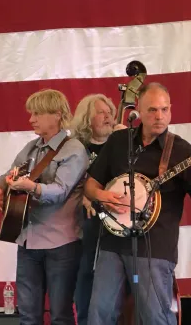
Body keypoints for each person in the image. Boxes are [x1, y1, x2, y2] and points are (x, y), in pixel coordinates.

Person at [85, 83, 190, 325]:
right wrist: (103, 197)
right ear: (138, 112)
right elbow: (91, 185)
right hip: (112, 243)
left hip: (154, 249)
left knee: (155, 317)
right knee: (99, 314)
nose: (159, 116)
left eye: (165, 109)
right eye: (152, 110)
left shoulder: (182, 151)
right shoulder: (119, 141)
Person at [0, 89, 88, 325]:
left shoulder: (74, 149)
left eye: (37, 113)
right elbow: (10, 173)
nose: (31, 119)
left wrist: (31, 187)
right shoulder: (31, 148)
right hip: (28, 241)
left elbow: (60, 191)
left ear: (56, 115)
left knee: (60, 316)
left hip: (61, 244)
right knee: (28, 316)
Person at [70, 94, 118, 325]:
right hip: (88, 220)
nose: (108, 115)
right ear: (86, 119)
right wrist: (85, 199)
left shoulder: (120, 143)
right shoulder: (77, 148)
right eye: (101, 112)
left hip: (118, 217)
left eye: (109, 111)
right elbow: (67, 185)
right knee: (86, 271)